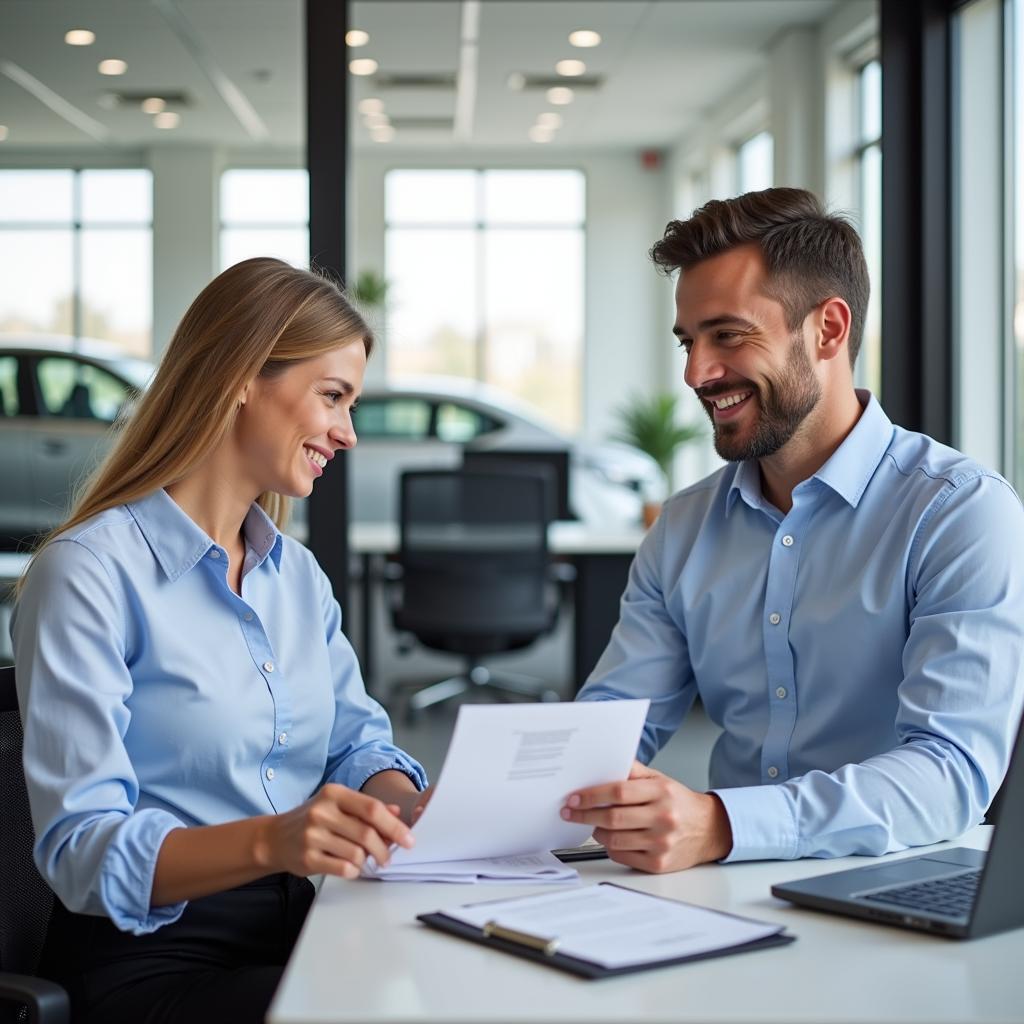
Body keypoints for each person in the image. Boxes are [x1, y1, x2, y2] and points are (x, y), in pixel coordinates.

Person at [12, 257, 427, 1024]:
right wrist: (275, 841)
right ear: (241, 376)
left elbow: (355, 744)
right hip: (153, 960)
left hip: (311, 925)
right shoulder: (88, 575)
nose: (348, 432)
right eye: (332, 397)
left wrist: (406, 807)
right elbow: (82, 850)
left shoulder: (295, 575)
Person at [563, 188, 1024, 873]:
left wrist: (723, 823)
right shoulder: (685, 526)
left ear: (828, 330)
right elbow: (608, 729)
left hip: (899, 880)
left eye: (728, 335)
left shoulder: (958, 512)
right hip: (724, 887)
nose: (697, 372)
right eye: (689, 342)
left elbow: (952, 771)